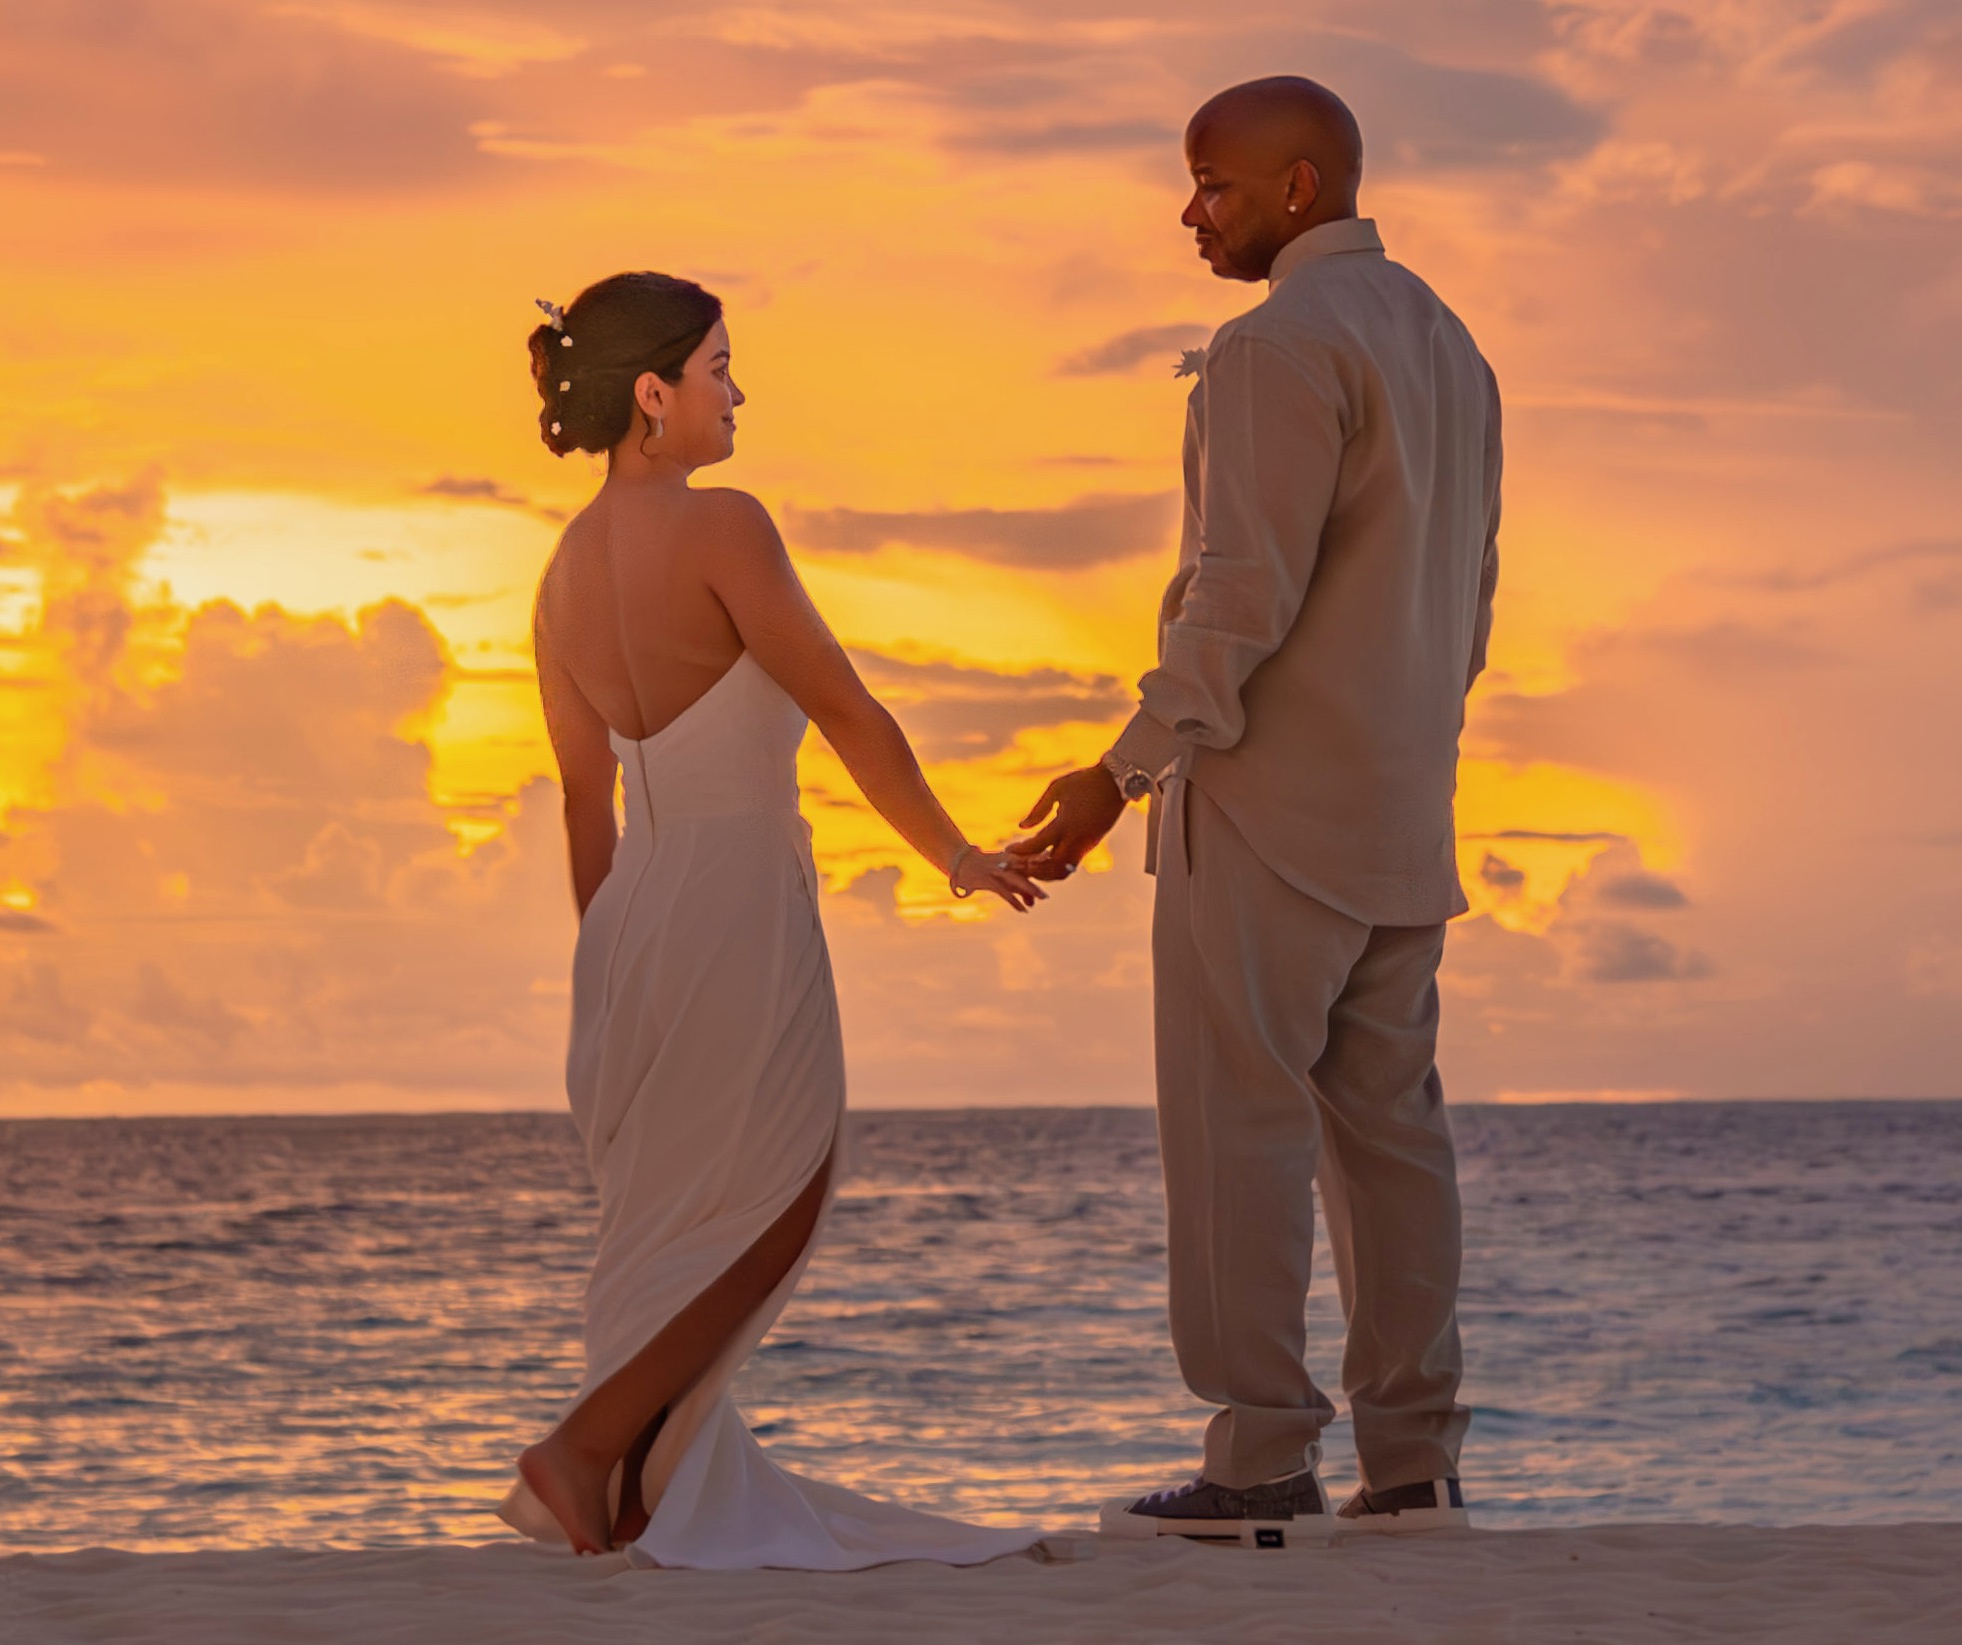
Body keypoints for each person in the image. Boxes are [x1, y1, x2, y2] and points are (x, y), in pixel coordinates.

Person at [1013, 77, 1503, 1540]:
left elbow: (1238, 598)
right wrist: (1414, 741)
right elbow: (1469, 601)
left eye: (1213, 187)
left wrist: (1120, 771)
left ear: (1299, 191)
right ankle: (1410, 1465)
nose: (1190, 212)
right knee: (1391, 1139)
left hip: (1272, 809)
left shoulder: (1270, 347)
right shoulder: (1449, 347)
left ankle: (1257, 1461)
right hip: (1405, 806)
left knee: (1239, 1131)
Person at [498, 271, 1044, 1567]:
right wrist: (957, 856)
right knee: (780, 1198)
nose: (738, 393)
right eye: (720, 369)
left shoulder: (560, 577)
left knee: (687, 1211)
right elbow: (851, 714)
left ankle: (631, 1493)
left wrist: (608, 966)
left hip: (633, 915)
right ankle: (586, 1446)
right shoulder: (723, 528)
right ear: (652, 395)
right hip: (738, 895)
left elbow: (588, 812)